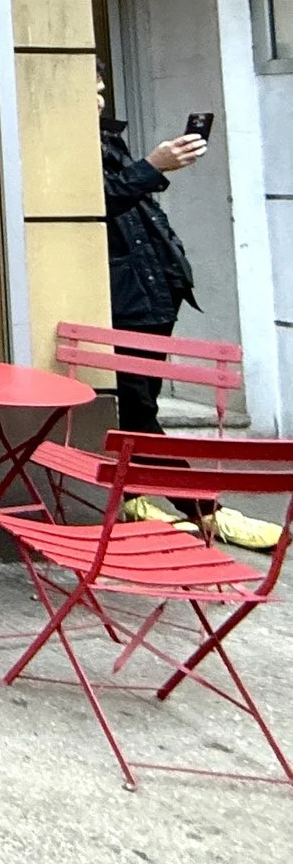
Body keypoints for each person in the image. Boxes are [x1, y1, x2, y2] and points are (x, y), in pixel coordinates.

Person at [100, 79, 283, 550]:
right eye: (89, 88)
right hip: (125, 300)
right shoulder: (63, 140)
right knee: (138, 413)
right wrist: (152, 166)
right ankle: (205, 511)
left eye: (102, 88)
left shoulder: (104, 138)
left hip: (151, 297)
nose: (100, 98)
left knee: (140, 409)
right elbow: (93, 204)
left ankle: (134, 498)